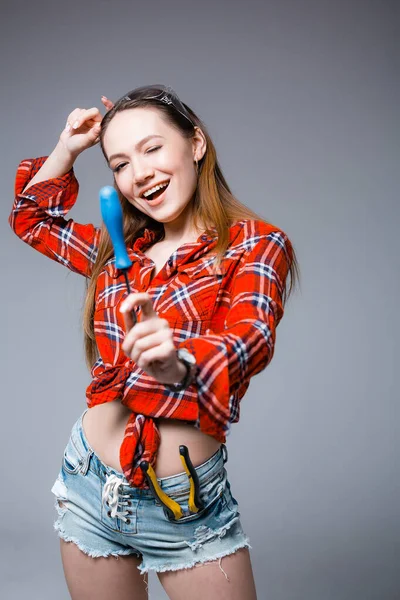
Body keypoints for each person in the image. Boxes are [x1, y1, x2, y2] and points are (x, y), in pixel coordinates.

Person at [9, 84, 299, 599]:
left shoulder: (253, 243)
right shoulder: (119, 251)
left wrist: (180, 364)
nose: (138, 173)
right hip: (87, 484)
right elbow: (30, 220)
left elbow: (250, 339)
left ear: (196, 144)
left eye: (152, 148)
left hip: (183, 505)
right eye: (119, 163)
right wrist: (68, 147)